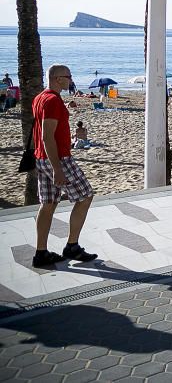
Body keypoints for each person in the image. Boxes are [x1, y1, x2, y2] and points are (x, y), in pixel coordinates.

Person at [31, 65, 98, 267]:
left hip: (41, 158)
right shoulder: (51, 100)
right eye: (68, 76)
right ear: (58, 79)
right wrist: (57, 169)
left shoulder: (40, 97)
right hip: (58, 159)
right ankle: (72, 246)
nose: (70, 79)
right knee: (86, 196)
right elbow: (47, 136)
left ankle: (41, 252)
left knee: (48, 203)